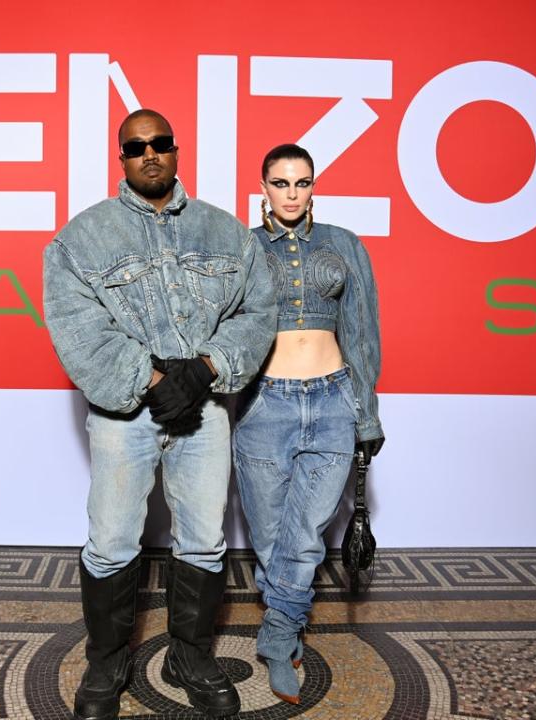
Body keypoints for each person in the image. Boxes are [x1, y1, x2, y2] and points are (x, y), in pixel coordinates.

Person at [42, 109, 276, 720]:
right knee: (114, 537)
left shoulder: (226, 233)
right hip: (124, 417)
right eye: (134, 146)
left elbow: (257, 314)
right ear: (120, 158)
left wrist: (204, 371)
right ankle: (107, 660)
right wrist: (152, 379)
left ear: (176, 151)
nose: (149, 153)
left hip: (204, 408)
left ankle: (189, 656)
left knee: (203, 537)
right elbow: (77, 329)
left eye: (160, 143)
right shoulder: (81, 238)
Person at [233, 143, 385, 704]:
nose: (291, 194)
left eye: (301, 183)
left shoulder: (343, 244)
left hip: (331, 403)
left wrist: (366, 413)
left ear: (313, 185)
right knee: (272, 537)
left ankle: (276, 639)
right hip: (262, 406)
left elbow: (363, 332)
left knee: (304, 535)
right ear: (264, 188)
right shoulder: (244, 247)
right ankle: (289, 617)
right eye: (280, 183)